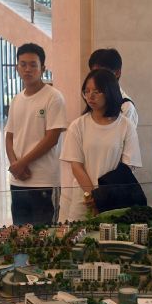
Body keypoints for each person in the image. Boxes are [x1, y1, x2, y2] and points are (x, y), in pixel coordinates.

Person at [60, 69, 142, 220]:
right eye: (87, 91)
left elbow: (127, 167)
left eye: (96, 91)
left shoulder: (126, 126)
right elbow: (76, 166)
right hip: (84, 200)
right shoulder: (78, 125)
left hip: (113, 200)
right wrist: (94, 197)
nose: (90, 96)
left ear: (110, 92)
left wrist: (102, 197)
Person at [5, 43, 68, 226]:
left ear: (43, 68)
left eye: (33, 65)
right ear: (17, 67)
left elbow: (52, 138)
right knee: (19, 235)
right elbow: (9, 137)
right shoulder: (16, 100)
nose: (28, 69)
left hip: (44, 181)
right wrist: (15, 165)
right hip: (18, 181)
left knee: (44, 236)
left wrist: (22, 163)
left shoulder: (53, 97)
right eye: (23, 64)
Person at [88, 48, 138, 126]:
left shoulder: (125, 106)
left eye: (101, 73)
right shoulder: (94, 98)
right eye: (93, 72)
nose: (96, 77)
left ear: (117, 73)